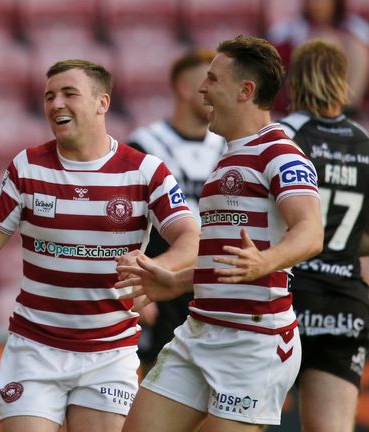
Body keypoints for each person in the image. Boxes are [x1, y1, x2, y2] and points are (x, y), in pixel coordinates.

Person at [0, 59, 200, 432]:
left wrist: (157, 269)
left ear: (102, 103)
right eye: (49, 96)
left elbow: (190, 238)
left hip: (108, 354)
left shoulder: (145, 171)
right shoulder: (28, 166)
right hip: (35, 350)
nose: (56, 104)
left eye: (69, 94)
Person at [114, 35, 324, 432]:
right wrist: (176, 281)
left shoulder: (280, 153)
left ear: (246, 91)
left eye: (213, 79)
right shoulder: (229, 153)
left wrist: (267, 260)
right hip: (199, 331)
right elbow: (223, 260)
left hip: (254, 343)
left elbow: (311, 232)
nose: (202, 88)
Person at [278, 39, 369, 432]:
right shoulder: (363, 141)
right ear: (343, 81)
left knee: (243, 418)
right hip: (345, 300)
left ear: (294, 80)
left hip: (286, 296)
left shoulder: (281, 136)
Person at [127, 48, 224, 370]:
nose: (213, 92)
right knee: (154, 381)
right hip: (163, 280)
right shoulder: (145, 146)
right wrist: (137, 285)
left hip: (212, 282)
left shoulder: (229, 147)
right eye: (206, 82)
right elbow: (126, 221)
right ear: (185, 87)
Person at [267, 0, 369, 114]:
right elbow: (274, 59)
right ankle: (321, 104)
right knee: (326, 42)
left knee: (355, 47)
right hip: (300, 88)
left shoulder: (355, 26)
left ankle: (348, 108)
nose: (317, 5)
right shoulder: (290, 27)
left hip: (350, 91)